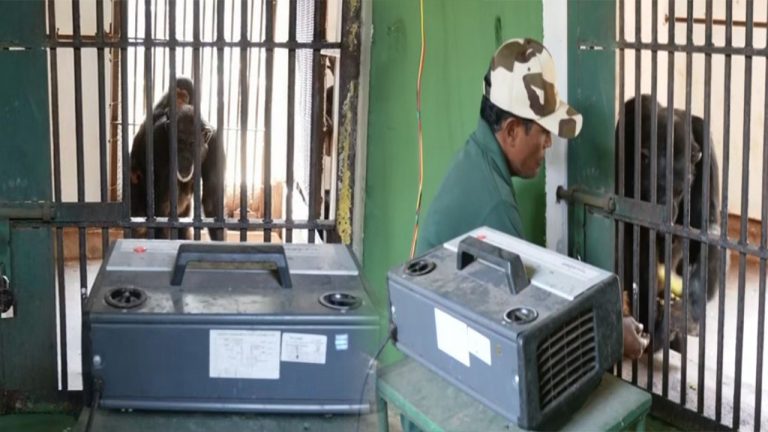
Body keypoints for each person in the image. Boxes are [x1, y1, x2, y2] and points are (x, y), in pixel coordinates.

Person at [416, 38, 649, 360]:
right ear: (511, 131)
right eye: (543, 132)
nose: (549, 144)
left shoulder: (477, 158)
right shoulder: (495, 205)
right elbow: (528, 329)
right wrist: (611, 335)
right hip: (443, 353)